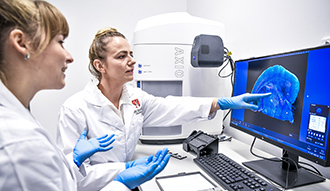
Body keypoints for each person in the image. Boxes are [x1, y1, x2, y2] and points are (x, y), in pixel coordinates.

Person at [57, 27, 271, 183]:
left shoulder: (134, 98)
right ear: (100, 65)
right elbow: (70, 176)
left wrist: (222, 103)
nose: (131, 60)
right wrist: (121, 171)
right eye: (121, 56)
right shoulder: (75, 109)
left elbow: (172, 107)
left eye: (131, 54)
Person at [0, 1, 170, 191]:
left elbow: (60, 180)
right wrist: (119, 182)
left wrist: (73, 162)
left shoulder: (21, 123)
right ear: (22, 43)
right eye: (60, 42)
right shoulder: (19, 143)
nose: (70, 56)